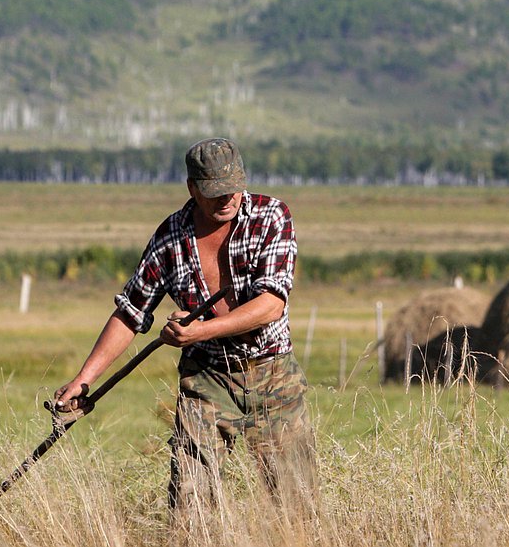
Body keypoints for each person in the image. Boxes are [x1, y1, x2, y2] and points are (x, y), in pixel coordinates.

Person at [53, 137, 314, 517]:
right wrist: (83, 380)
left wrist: (197, 332)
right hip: (206, 377)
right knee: (190, 503)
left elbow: (271, 306)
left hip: (272, 371)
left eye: (233, 188)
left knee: (295, 502)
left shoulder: (272, 216)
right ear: (192, 189)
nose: (226, 198)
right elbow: (130, 313)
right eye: (214, 192)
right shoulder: (169, 238)